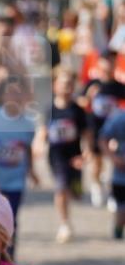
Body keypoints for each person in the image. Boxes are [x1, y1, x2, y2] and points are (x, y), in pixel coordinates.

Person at [0, 76, 39, 259]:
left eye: (19, 92)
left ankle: (8, 258)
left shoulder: (28, 123)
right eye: (11, 92)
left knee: (10, 221)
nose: (15, 96)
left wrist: (32, 171)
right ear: (2, 95)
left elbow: (27, 149)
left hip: (15, 182)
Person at [36, 67, 87, 244]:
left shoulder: (77, 110)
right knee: (61, 188)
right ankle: (65, 224)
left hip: (75, 156)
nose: (66, 87)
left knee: (76, 192)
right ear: (54, 85)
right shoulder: (49, 109)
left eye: (70, 84)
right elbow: (42, 131)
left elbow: (87, 135)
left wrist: (85, 155)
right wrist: (38, 146)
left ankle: (75, 192)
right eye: (63, 83)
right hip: (56, 156)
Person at [78, 49, 125, 207]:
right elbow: (80, 103)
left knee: (114, 161)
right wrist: (89, 97)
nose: (109, 64)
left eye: (113, 61)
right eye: (106, 60)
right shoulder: (93, 84)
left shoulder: (119, 87)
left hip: (115, 131)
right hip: (96, 129)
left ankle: (114, 192)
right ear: (100, 63)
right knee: (96, 161)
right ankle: (96, 185)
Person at [100, 107, 125, 239]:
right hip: (121, 175)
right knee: (122, 210)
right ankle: (118, 227)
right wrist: (114, 158)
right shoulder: (120, 118)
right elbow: (103, 138)